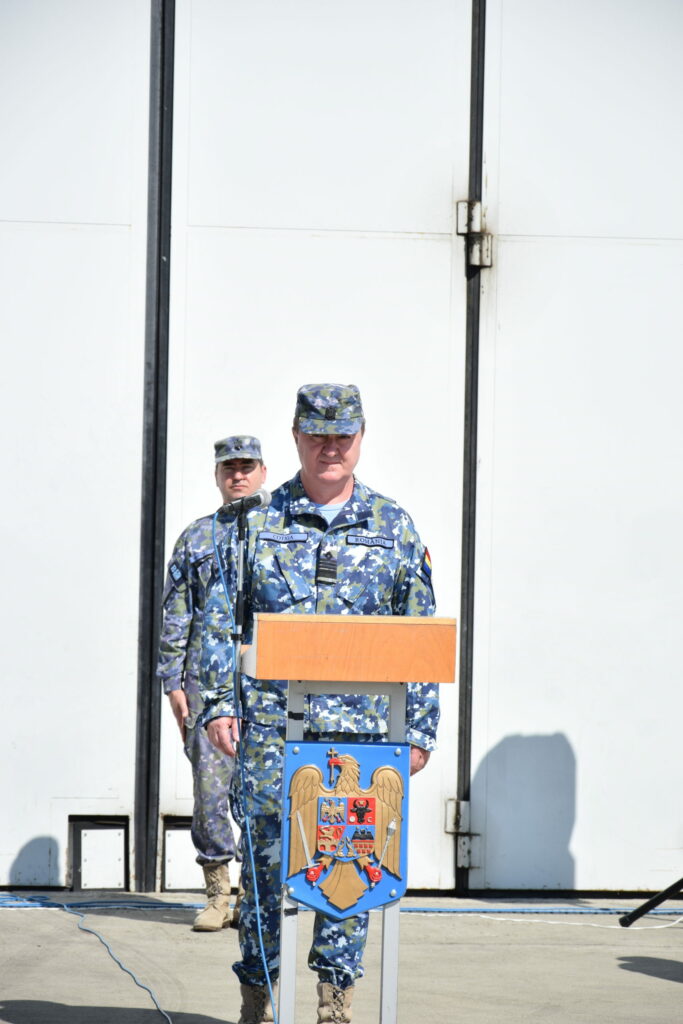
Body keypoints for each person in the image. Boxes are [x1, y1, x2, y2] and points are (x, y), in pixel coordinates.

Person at [200, 384, 439, 1024]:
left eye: (343, 435)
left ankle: (335, 1003)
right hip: (271, 736)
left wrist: (418, 728)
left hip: (360, 738)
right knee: (262, 875)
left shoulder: (394, 525)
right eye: (318, 435)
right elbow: (222, 621)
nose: (330, 447)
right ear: (297, 437)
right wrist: (219, 703)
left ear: (361, 438)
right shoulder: (254, 522)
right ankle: (259, 1000)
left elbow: (419, 631)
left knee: (348, 868)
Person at [157, 435, 267, 931]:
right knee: (210, 790)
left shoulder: (280, 533)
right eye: (229, 468)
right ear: (217, 474)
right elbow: (176, 615)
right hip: (206, 684)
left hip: (267, 683)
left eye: (246, 467)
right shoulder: (196, 538)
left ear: (263, 471)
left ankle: (255, 895)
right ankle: (218, 893)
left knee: (262, 790)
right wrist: (173, 685)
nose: (237, 475)